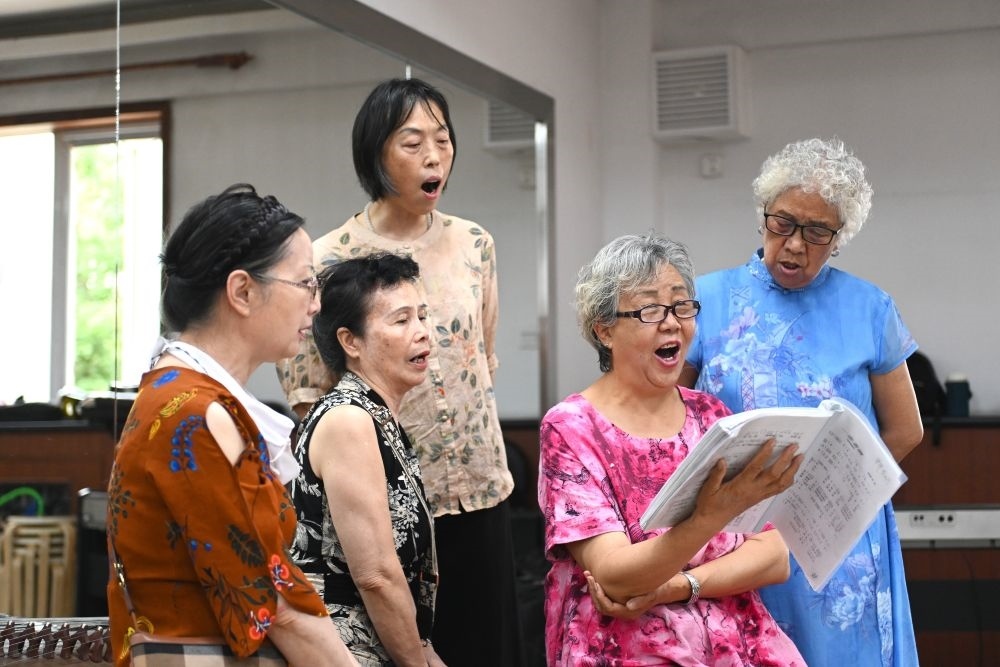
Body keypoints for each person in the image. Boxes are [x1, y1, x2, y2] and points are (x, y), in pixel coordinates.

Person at [277, 77, 522, 665]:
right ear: (375, 155)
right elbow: (310, 392)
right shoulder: (328, 258)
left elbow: (479, 363)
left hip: (480, 492)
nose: (434, 156)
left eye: (442, 140)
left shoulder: (475, 244)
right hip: (389, 515)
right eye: (412, 144)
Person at [681, 137, 923, 666]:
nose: (794, 245)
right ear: (762, 216)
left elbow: (905, 429)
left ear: (838, 238)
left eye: (817, 233)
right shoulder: (705, 302)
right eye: (783, 223)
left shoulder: (869, 308)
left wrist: (836, 492)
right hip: (735, 526)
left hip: (835, 532)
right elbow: (667, 415)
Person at [105, 184, 356, 667]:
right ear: (242, 291)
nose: (316, 303)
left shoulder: (180, 394)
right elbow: (274, 603)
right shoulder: (197, 414)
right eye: (305, 283)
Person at [539, 232, 806, 666]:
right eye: (649, 309)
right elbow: (616, 576)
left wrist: (678, 585)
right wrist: (712, 518)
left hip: (737, 641)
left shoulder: (711, 416)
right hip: (624, 645)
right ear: (604, 329)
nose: (671, 322)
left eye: (682, 306)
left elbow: (774, 558)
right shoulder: (572, 427)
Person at [289, 252, 445, 666]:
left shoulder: (376, 414)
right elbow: (375, 574)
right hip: (341, 651)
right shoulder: (348, 420)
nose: (423, 332)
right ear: (350, 341)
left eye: (422, 316)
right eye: (401, 320)